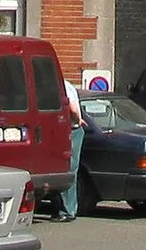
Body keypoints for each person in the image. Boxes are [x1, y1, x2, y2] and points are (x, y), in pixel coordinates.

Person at [55, 80, 87, 220]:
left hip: (72, 131)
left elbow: (72, 108)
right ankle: (69, 209)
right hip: (75, 130)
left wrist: (77, 120)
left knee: (68, 168)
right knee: (71, 168)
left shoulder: (62, 87)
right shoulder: (68, 85)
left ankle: (67, 211)